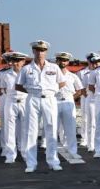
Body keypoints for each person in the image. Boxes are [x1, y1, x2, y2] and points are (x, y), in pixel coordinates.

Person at [15, 40, 67, 172]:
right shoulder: (27, 68)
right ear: (33, 51)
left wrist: (52, 90)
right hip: (33, 99)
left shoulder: (54, 67)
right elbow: (18, 85)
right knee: (31, 131)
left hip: (49, 99)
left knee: (51, 129)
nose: (40, 53)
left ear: (46, 52)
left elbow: (62, 82)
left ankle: (53, 161)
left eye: (42, 50)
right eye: (37, 50)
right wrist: (32, 91)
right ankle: (31, 163)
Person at [0, 52, 28, 163]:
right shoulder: (5, 74)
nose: (15, 63)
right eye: (14, 61)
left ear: (23, 62)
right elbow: (0, 88)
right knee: (9, 129)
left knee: (25, 128)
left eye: (18, 61)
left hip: (25, 102)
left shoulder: (28, 74)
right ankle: (10, 155)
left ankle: (25, 152)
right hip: (10, 101)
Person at [54, 52, 84, 158]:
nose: (63, 62)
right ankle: (52, 151)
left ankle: (72, 150)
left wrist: (71, 98)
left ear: (68, 62)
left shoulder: (72, 76)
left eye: (65, 60)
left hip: (68, 101)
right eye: (61, 60)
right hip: (55, 101)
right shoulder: (51, 75)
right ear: (57, 61)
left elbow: (80, 90)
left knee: (70, 128)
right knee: (53, 128)